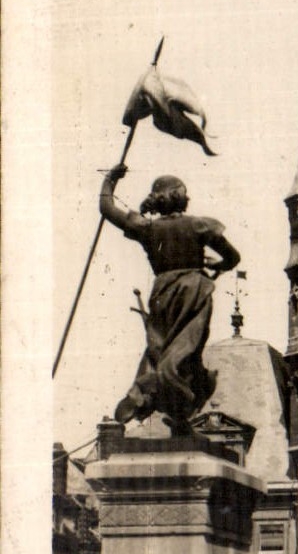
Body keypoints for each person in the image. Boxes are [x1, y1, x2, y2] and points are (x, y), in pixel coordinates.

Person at [99, 164, 240, 433]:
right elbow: (234, 258)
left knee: (159, 348)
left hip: (162, 292)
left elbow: (107, 209)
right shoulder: (200, 225)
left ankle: (150, 398)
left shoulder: (146, 228)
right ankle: (164, 399)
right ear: (181, 197)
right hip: (194, 292)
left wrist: (109, 180)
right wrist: (218, 265)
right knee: (186, 353)